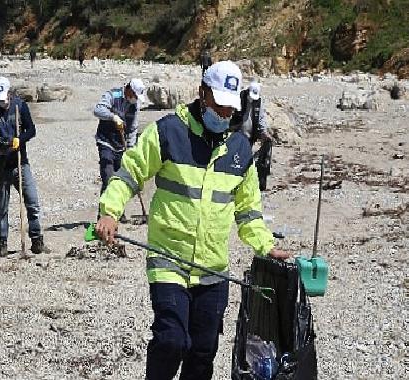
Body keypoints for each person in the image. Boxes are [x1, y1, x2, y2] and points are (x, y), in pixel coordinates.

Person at [95, 61, 291, 380]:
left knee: (203, 352)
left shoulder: (240, 148)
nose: (224, 115)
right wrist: (110, 211)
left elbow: (248, 211)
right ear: (202, 94)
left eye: (230, 109)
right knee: (172, 341)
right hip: (168, 261)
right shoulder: (168, 131)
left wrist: (266, 247)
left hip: (213, 268)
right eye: (219, 106)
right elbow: (129, 173)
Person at [0, 76, 49, 257]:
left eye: (3, 98)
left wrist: (21, 139)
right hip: (0, 165)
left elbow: (31, 130)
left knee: (32, 202)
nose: (1, 102)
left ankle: (36, 240)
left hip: (20, 161)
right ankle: (2, 243)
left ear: (9, 93)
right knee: (1, 208)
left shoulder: (20, 106)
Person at [93, 78, 146, 222]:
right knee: (108, 177)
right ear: (129, 90)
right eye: (134, 95)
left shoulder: (134, 106)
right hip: (106, 142)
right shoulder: (113, 95)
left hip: (120, 146)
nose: (135, 99)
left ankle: (118, 212)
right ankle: (103, 216)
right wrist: (112, 116)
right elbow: (98, 110)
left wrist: (130, 149)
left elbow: (133, 128)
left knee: (120, 179)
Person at [230, 81, 273, 190]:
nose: (252, 99)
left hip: (250, 137)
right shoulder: (239, 98)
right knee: (235, 159)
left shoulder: (258, 102)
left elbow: (261, 118)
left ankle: (243, 182)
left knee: (245, 160)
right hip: (237, 135)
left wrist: (264, 132)